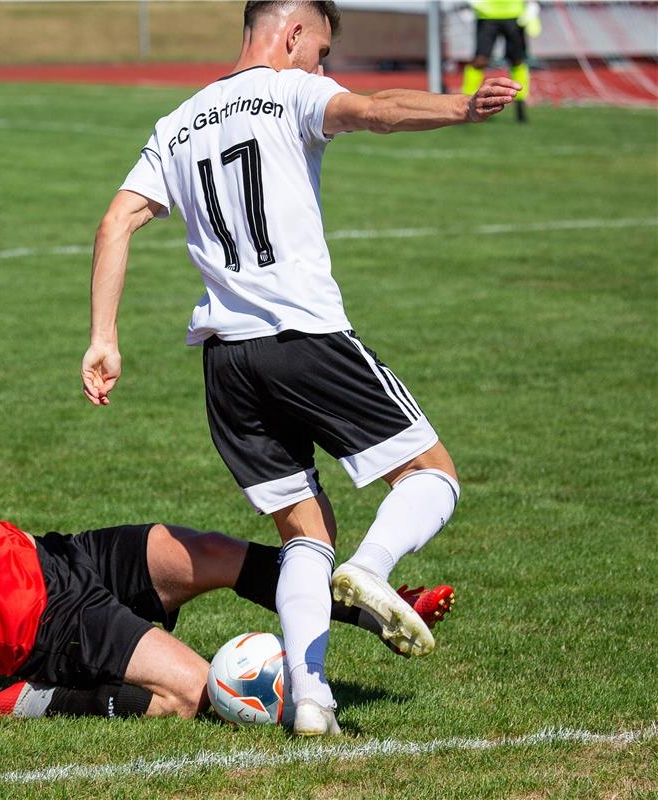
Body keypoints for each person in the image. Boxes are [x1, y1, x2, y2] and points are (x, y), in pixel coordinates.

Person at [81, 0, 515, 737]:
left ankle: (311, 701)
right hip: (304, 338)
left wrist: (103, 337)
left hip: (226, 364)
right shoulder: (288, 88)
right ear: (289, 35)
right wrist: (461, 107)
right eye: (319, 50)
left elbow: (115, 219)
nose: (323, 67)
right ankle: (373, 568)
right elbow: (375, 109)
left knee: (303, 534)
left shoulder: (178, 122)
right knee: (431, 477)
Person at [0, 380, 454, 750]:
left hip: (53, 556)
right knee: (190, 693)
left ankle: (367, 603)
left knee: (212, 550)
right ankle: (30, 698)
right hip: (44, 625)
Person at [461, 0, 534, 122]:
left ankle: (520, 105)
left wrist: (532, 5)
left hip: (515, 15)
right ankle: (466, 103)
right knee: (479, 61)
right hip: (486, 15)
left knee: (517, 61)